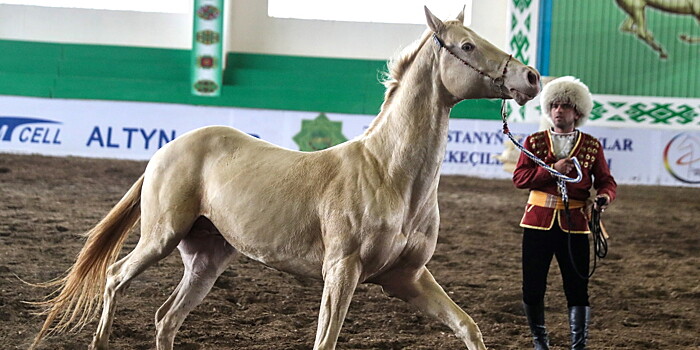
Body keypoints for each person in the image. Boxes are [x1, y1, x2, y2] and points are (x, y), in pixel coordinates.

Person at [512, 76, 617, 350]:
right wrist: (552, 169)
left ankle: (578, 346)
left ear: (577, 112)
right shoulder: (533, 142)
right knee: (532, 287)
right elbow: (520, 179)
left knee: (577, 289)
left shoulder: (592, 146)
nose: (559, 110)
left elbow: (606, 180)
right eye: (555, 105)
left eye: (565, 106)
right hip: (537, 225)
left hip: (576, 226)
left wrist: (604, 197)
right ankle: (540, 343)